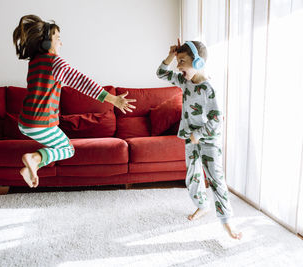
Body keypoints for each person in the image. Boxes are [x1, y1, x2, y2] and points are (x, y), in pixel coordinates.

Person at [13, 15, 136, 188]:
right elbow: (82, 82)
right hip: (40, 123)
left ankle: (31, 166)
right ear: (46, 43)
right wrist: (112, 99)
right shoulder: (55, 63)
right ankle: (33, 158)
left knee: (59, 149)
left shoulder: (34, 63)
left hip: (25, 123)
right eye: (58, 39)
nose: (61, 43)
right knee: (67, 149)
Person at [156, 39, 242, 240]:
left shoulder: (209, 89)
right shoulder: (184, 81)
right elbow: (161, 73)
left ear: (198, 63)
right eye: (178, 61)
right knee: (192, 177)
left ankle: (227, 220)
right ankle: (202, 206)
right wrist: (171, 55)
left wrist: (199, 134)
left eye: (182, 61)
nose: (178, 66)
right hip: (189, 137)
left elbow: (216, 118)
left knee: (215, 179)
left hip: (208, 140)